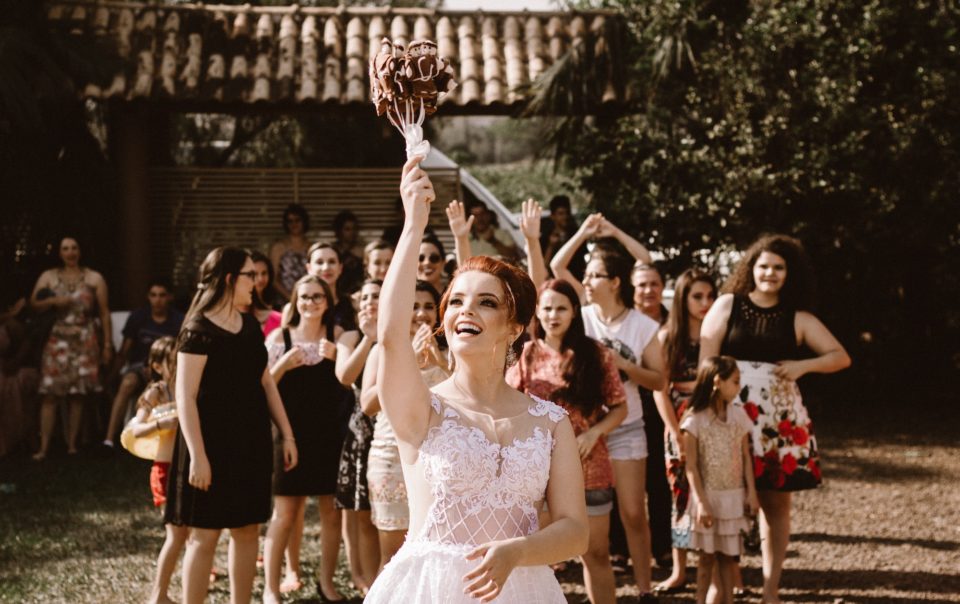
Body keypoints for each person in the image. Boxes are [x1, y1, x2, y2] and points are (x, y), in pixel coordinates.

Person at [364, 156, 589, 602]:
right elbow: (389, 336)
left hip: (524, 590)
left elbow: (575, 532)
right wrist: (414, 225)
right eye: (456, 302)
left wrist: (518, 551)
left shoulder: (550, 423)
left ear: (515, 327)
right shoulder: (422, 409)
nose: (465, 310)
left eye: (486, 302)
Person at [700, 234, 851, 603]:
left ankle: (771, 589)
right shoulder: (727, 305)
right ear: (751, 268)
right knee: (724, 499)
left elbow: (840, 356)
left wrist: (804, 366)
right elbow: (707, 361)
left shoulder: (798, 317)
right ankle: (724, 586)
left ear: (789, 273)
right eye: (763, 265)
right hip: (730, 414)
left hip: (778, 423)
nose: (770, 273)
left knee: (776, 505)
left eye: (778, 267)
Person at [164, 246, 297, 604]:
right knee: (203, 536)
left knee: (247, 529)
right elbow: (185, 396)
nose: (256, 281)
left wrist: (287, 434)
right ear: (229, 279)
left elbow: (266, 382)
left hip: (250, 443)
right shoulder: (197, 329)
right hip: (208, 445)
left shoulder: (250, 326)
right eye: (250, 275)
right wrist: (198, 456)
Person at [550, 215, 665, 599]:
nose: (586, 281)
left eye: (595, 275)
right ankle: (598, 584)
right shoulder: (581, 317)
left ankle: (645, 588)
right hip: (585, 431)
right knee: (592, 515)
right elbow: (557, 267)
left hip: (627, 426)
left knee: (632, 512)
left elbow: (659, 381)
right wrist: (584, 233)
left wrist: (625, 365)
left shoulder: (642, 325)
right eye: (585, 275)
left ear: (615, 282)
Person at [506, 279, 627, 604]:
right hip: (538, 473)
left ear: (574, 311)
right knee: (537, 558)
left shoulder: (596, 354)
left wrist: (594, 432)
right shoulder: (525, 354)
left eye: (561, 308)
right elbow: (507, 404)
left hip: (590, 467)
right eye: (547, 308)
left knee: (596, 553)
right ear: (537, 313)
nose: (553, 315)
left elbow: (620, 407)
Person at [262, 275, 352, 603]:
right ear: (295, 302)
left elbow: (351, 379)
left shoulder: (337, 337)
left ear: (327, 302)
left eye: (317, 297)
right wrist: (283, 365)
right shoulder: (279, 337)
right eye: (304, 297)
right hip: (289, 437)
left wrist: (336, 357)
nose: (310, 302)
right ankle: (271, 589)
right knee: (285, 514)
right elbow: (262, 386)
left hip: (330, 437)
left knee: (331, 514)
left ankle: (326, 583)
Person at [362, 280, 449, 574]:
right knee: (393, 558)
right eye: (413, 306)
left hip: (441, 461)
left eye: (428, 306)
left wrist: (443, 363)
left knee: (436, 553)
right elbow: (368, 404)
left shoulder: (451, 353)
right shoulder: (383, 350)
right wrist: (407, 358)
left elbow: (471, 402)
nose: (421, 313)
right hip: (391, 459)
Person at [652, 269, 717, 593]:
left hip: (713, 418)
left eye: (710, 296)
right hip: (678, 420)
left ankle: (721, 570)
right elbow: (659, 389)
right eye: (697, 296)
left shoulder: (717, 333)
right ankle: (679, 570)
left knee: (717, 489)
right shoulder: (667, 336)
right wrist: (674, 431)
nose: (705, 303)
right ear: (683, 298)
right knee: (680, 494)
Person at [681, 355, 758, 604]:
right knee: (706, 558)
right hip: (708, 498)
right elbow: (691, 466)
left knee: (729, 557)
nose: (738, 387)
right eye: (735, 381)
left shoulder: (738, 416)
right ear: (717, 381)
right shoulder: (694, 420)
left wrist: (751, 492)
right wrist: (701, 502)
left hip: (733, 497)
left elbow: (745, 457)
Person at [30, 236, 112, 460]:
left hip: (85, 338)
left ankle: (72, 445)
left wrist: (106, 345)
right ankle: (44, 448)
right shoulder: (48, 277)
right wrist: (52, 302)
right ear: (59, 252)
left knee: (78, 394)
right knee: (50, 393)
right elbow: (33, 304)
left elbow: (104, 312)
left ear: (80, 251)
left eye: (74, 248)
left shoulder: (94, 278)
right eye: (65, 248)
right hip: (58, 339)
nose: (70, 252)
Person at [125, 336, 187, 604]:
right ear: (158, 366)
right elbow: (134, 429)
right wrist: (161, 424)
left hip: (187, 467)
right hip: (165, 470)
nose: (179, 365)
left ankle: (196, 577)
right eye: (173, 361)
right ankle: (158, 595)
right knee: (176, 534)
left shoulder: (187, 386)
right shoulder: (157, 392)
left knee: (192, 530)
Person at [335, 279, 383, 595]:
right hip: (362, 432)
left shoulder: (397, 332)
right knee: (364, 516)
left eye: (376, 296)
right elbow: (345, 376)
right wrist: (368, 339)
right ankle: (371, 588)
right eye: (364, 298)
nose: (370, 302)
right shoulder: (350, 337)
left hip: (393, 428)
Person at [103, 280, 184, 449]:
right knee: (127, 383)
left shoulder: (178, 320)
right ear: (148, 297)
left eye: (162, 295)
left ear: (170, 297)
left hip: (169, 369)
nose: (157, 300)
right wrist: (112, 376)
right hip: (139, 366)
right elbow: (124, 350)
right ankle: (109, 439)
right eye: (153, 295)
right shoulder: (138, 317)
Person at [631, 262, 673, 568]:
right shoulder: (625, 322)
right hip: (630, 404)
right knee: (623, 482)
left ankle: (663, 547)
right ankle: (621, 549)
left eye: (654, 284)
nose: (648, 290)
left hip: (665, 405)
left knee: (660, 480)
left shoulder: (674, 322)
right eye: (642, 284)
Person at [270, 204, 310, 303]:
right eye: (290, 221)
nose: (294, 224)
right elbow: (273, 278)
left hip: (308, 299)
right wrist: (290, 297)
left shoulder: (311, 247)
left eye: (297, 220)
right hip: (284, 301)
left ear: (304, 221)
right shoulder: (278, 247)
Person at [540, 195, 585, 280]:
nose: (565, 217)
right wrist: (551, 246)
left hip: (575, 279)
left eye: (567, 213)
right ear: (553, 216)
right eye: (560, 214)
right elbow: (542, 266)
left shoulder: (576, 234)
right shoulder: (545, 237)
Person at [248, 251, 282, 336]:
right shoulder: (244, 305)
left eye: (264, 273)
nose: (260, 279)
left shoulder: (277, 302)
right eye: (255, 274)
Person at [332, 210, 366, 294]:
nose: (352, 232)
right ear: (339, 231)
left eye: (354, 229)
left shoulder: (362, 250)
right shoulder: (332, 250)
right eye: (347, 229)